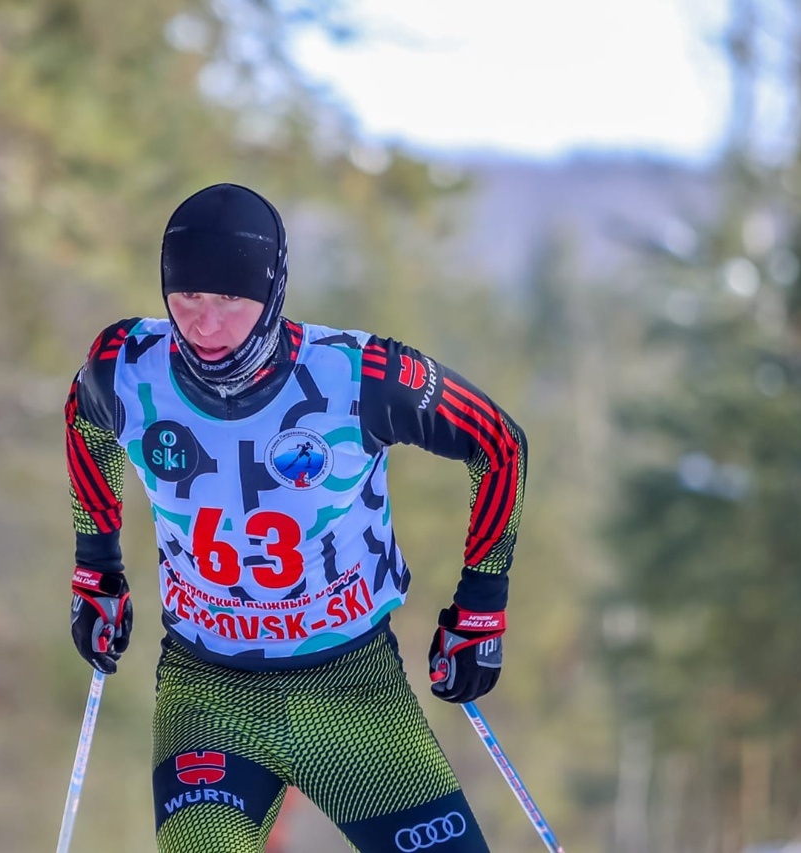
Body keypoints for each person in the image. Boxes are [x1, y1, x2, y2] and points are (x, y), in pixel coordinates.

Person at [65, 183, 527, 852]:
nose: (205, 324)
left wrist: (481, 605)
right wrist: (97, 568)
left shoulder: (358, 374)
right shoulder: (127, 368)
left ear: (274, 293)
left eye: (230, 301)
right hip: (208, 692)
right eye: (187, 298)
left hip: (351, 690)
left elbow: (498, 442)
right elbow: (84, 421)